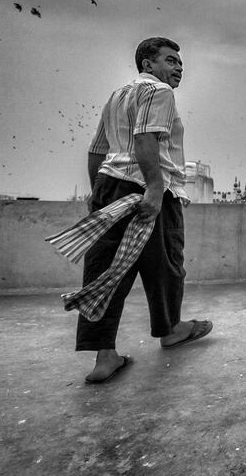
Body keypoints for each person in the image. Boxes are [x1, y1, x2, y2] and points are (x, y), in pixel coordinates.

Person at [78, 36, 212, 384]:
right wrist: (153, 188)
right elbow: (145, 139)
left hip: (112, 185)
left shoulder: (117, 95)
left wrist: (98, 193)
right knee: (166, 261)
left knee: (105, 271)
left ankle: (104, 355)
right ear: (147, 64)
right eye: (170, 60)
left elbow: (97, 150)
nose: (178, 67)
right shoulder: (160, 92)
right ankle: (171, 330)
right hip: (151, 187)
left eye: (180, 62)